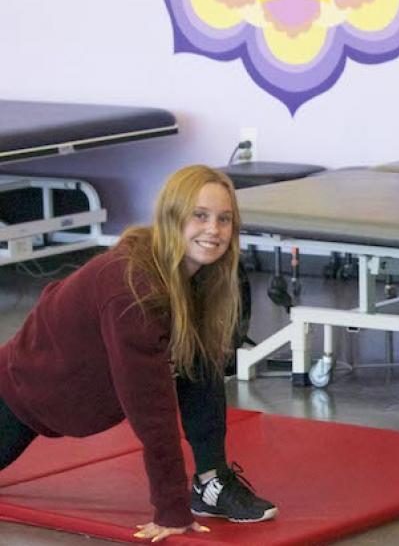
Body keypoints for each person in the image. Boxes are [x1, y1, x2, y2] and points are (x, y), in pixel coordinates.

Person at [0, 165, 277, 542]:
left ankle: (212, 482)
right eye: (200, 216)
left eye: (224, 219)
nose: (214, 230)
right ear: (170, 217)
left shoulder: (203, 276)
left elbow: (202, 373)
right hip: (24, 391)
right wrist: (170, 509)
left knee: (199, 354)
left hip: (72, 390)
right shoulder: (134, 289)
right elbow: (152, 410)